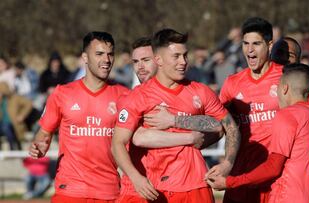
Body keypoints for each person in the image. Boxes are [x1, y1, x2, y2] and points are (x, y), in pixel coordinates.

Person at [210, 17, 309, 203]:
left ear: (269, 45)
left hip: (274, 179)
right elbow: (219, 122)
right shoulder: (232, 83)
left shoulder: (288, 78)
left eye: (256, 44)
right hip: (243, 175)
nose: (250, 50)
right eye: (245, 44)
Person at [112, 28, 240, 203]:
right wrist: (136, 178)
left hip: (196, 185)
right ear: (159, 60)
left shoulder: (200, 91)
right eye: (176, 56)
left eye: (185, 55)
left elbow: (228, 126)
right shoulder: (139, 97)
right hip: (159, 188)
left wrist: (227, 163)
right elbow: (119, 142)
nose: (183, 62)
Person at [29, 31, 129, 203]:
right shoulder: (62, 93)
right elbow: (43, 134)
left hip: (108, 191)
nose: (106, 60)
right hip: (70, 190)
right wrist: (39, 145)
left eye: (110, 54)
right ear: (85, 57)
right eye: (99, 54)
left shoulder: (125, 96)